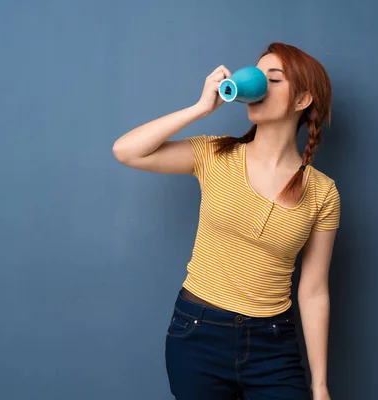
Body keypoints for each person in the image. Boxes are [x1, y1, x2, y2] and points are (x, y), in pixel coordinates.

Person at [112, 42, 340, 400]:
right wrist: (199, 109)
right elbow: (126, 150)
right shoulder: (215, 154)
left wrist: (320, 384)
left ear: (302, 101)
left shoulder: (323, 193)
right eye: (256, 74)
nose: (258, 84)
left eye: (273, 79)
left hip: (273, 345)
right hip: (198, 334)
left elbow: (313, 291)